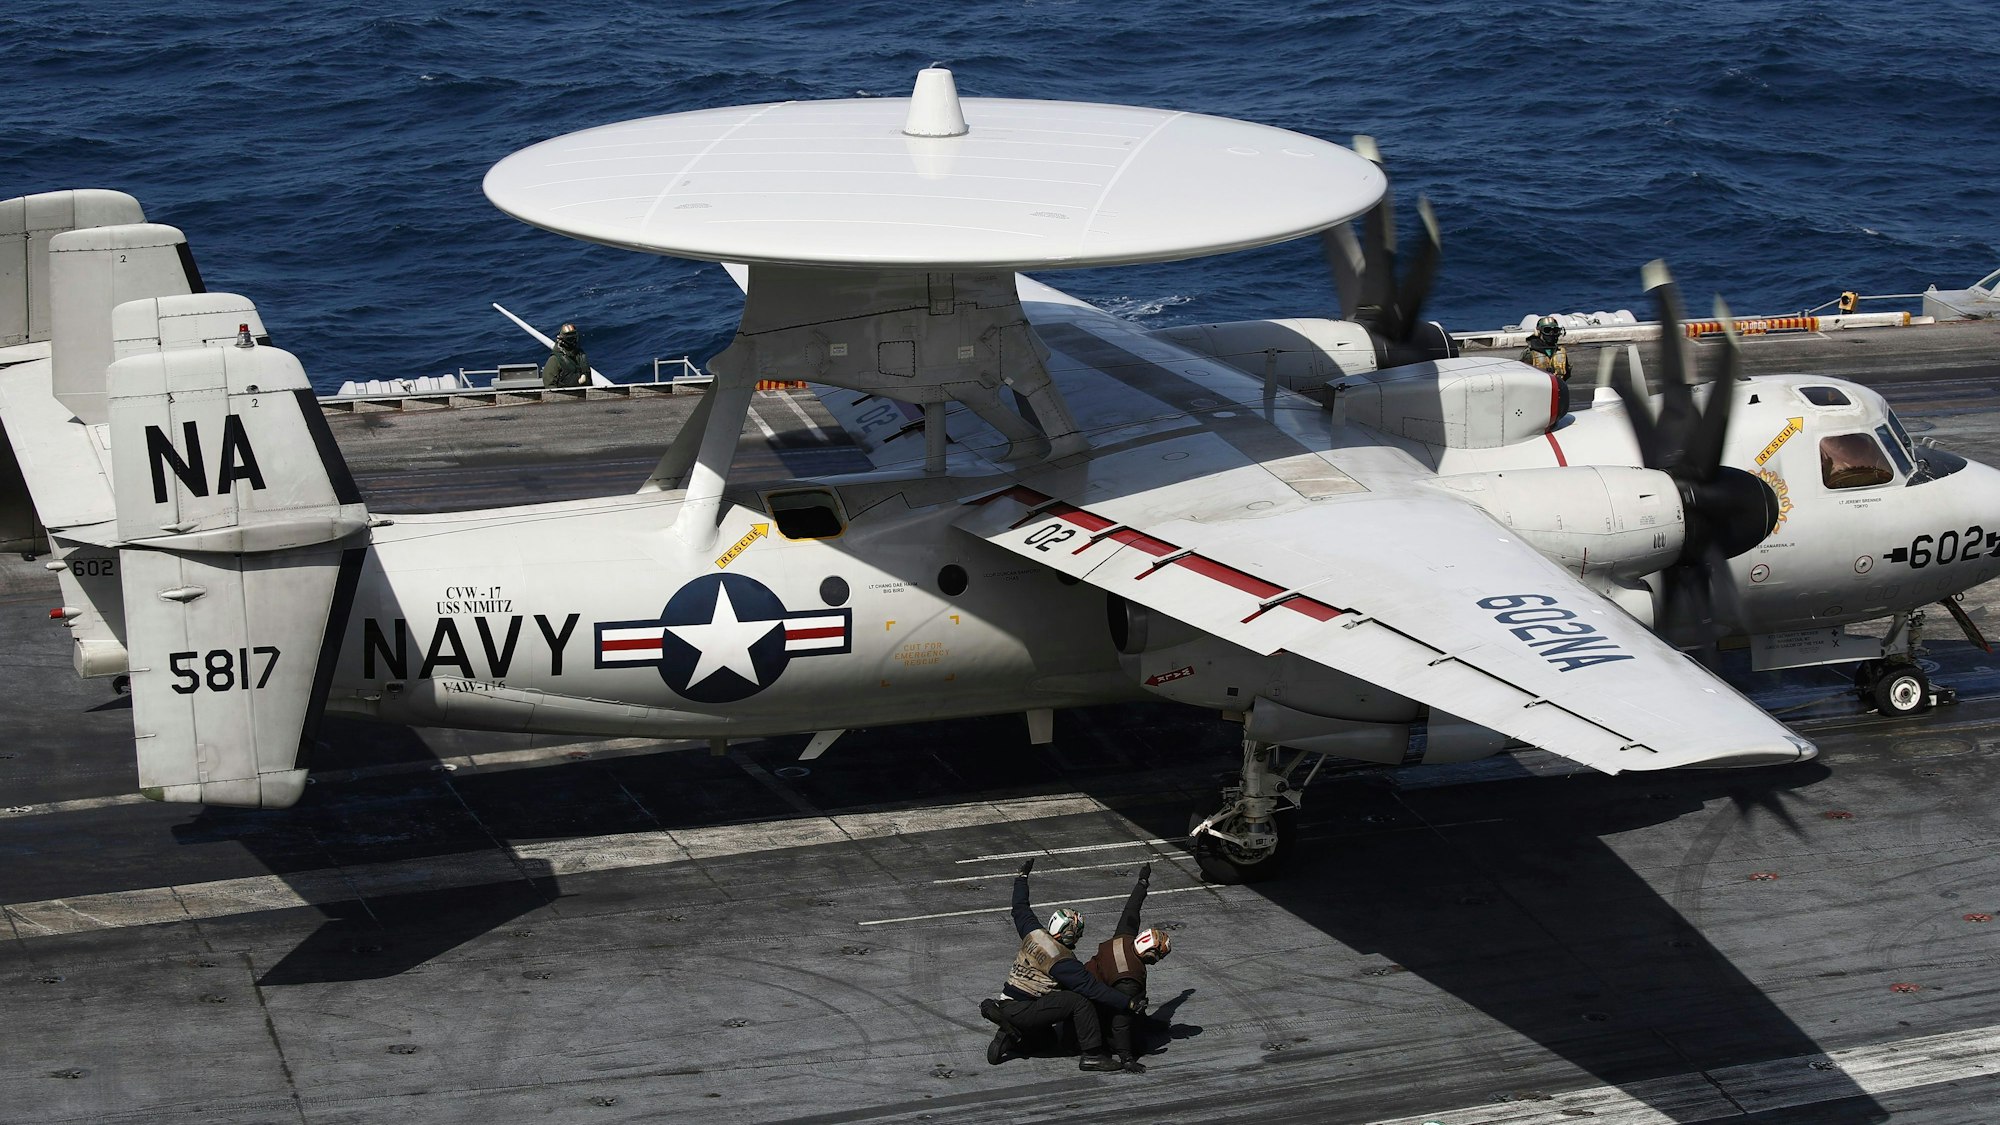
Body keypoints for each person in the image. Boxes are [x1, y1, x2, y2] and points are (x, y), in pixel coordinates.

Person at [980, 857, 1143, 1072]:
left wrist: (1021, 878)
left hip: (1008, 1001)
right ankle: (1092, 1056)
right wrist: (1127, 1003)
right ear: (1068, 935)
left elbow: (1020, 908)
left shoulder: (1033, 932)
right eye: (1077, 934)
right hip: (1025, 1008)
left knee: (1048, 1041)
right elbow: (1091, 988)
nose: (1078, 939)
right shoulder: (1061, 959)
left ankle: (1012, 1035)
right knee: (1080, 1001)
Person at [1084, 863, 1172, 1072]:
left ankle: (1142, 1023)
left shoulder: (1125, 937)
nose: (1158, 961)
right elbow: (1120, 1022)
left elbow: (1132, 910)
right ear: (1151, 954)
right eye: (1159, 956)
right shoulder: (1129, 980)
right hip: (1093, 1005)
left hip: (1093, 983)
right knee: (1141, 1044)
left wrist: (1142, 883)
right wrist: (1127, 1058)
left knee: (1136, 1009)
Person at [1520, 315, 1570, 380]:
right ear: (1539, 332)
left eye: (1555, 330)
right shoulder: (1530, 352)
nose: (1551, 334)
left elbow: (1567, 373)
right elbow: (1523, 375)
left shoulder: (1561, 352)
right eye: (1547, 330)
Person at [541, 323, 588, 388]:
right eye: (570, 339)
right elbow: (549, 384)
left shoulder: (581, 356)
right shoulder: (555, 360)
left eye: (574, 337)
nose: (573, 341)